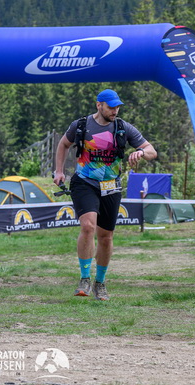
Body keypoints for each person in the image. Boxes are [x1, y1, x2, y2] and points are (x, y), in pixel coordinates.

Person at [54, 89, 157, 301]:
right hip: (84, 181)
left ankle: (99, 282)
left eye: (117, 107)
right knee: (88, 226)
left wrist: (141, 152)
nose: (115, 110)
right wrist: (59, 171)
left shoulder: (123, 127)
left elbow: (151, 151)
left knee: (106, 236)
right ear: (99, 105)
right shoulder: (81, 125)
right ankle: (84, 278)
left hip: (111, 185)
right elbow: (64, 144)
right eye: (111, 107)